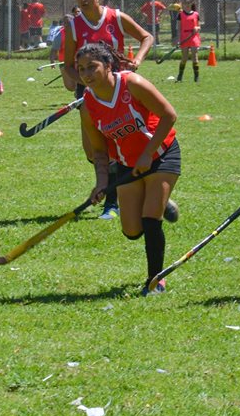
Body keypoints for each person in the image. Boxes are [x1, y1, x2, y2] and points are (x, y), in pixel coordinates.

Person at [77, 43, 180, 296]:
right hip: (127, 165)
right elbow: (99, 151)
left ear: (108, 65)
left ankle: (155, 281)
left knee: (150, 220)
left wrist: (148, 153)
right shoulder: (87, 105)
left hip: (161, 155)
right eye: (81, 69)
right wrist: (102, 182)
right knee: (132, 231)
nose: (87, 74)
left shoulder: (132, 83)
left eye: (92, 67)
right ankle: (158, 200)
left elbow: (169, 115)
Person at [63, 0, 155, 220]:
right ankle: (122, 192)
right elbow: (68, 64)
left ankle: (113, 203)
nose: (82, 0)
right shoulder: (73, 26)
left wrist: (136, 60)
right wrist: (77, 80)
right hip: (88, 94)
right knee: (93, 151)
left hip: (119, 89)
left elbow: (147, 37)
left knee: (119, 144)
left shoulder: (116, 17)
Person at [175, 0, 201, 83]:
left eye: (189, 2)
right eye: (185, 3)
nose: (187, 4)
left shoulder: (196, 14)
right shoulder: (180, 14)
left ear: (191, 3)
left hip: (194, 36)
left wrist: (197, 28)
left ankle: (196, 77)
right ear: (183, 4)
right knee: (184, 58)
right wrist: (178, 40)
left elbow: (198, 26)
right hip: (184, 37)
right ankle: (180, 76)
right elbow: (178, 28)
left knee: (194, 55)